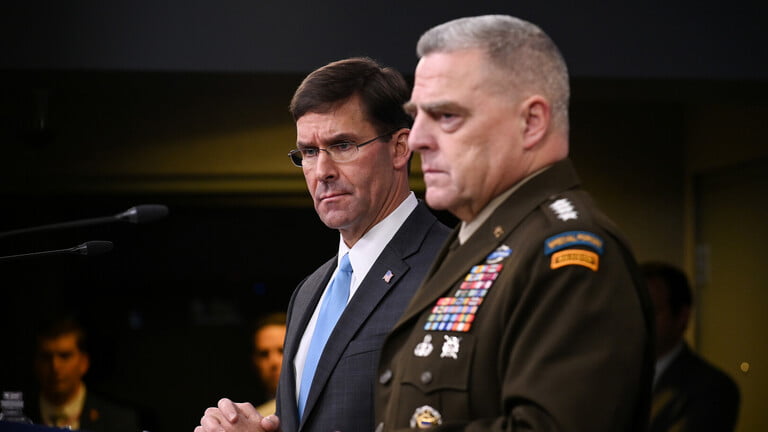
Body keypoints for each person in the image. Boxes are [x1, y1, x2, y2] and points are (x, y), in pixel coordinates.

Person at [374, 15, 655, 431]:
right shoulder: (485, 235)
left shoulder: (567, 252)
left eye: (446, 115)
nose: (416, 139)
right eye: (416, 116)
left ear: (531, 122)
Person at [196, 57, 451, 432]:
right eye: (309, 152)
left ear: (400, 148)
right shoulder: (309, 292)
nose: (322, 172)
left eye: (343, 145)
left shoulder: (453, 266)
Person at [642, 262, 740, 432]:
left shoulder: (713, 389)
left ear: (682, 317)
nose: (639, 321)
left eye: (652, 312)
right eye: (633, 311)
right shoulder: (614, 376)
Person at [26, 316, 140, 432]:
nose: (55, 366)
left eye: (65, 356)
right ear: (35, 362)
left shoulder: (117, 421)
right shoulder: (19, 417)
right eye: (46, 357)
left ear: (84, 362)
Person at [250, 313, 287, 416]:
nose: (273, 361)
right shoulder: (247, 414)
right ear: (255, 362)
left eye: (282, 351)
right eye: (264, 354)